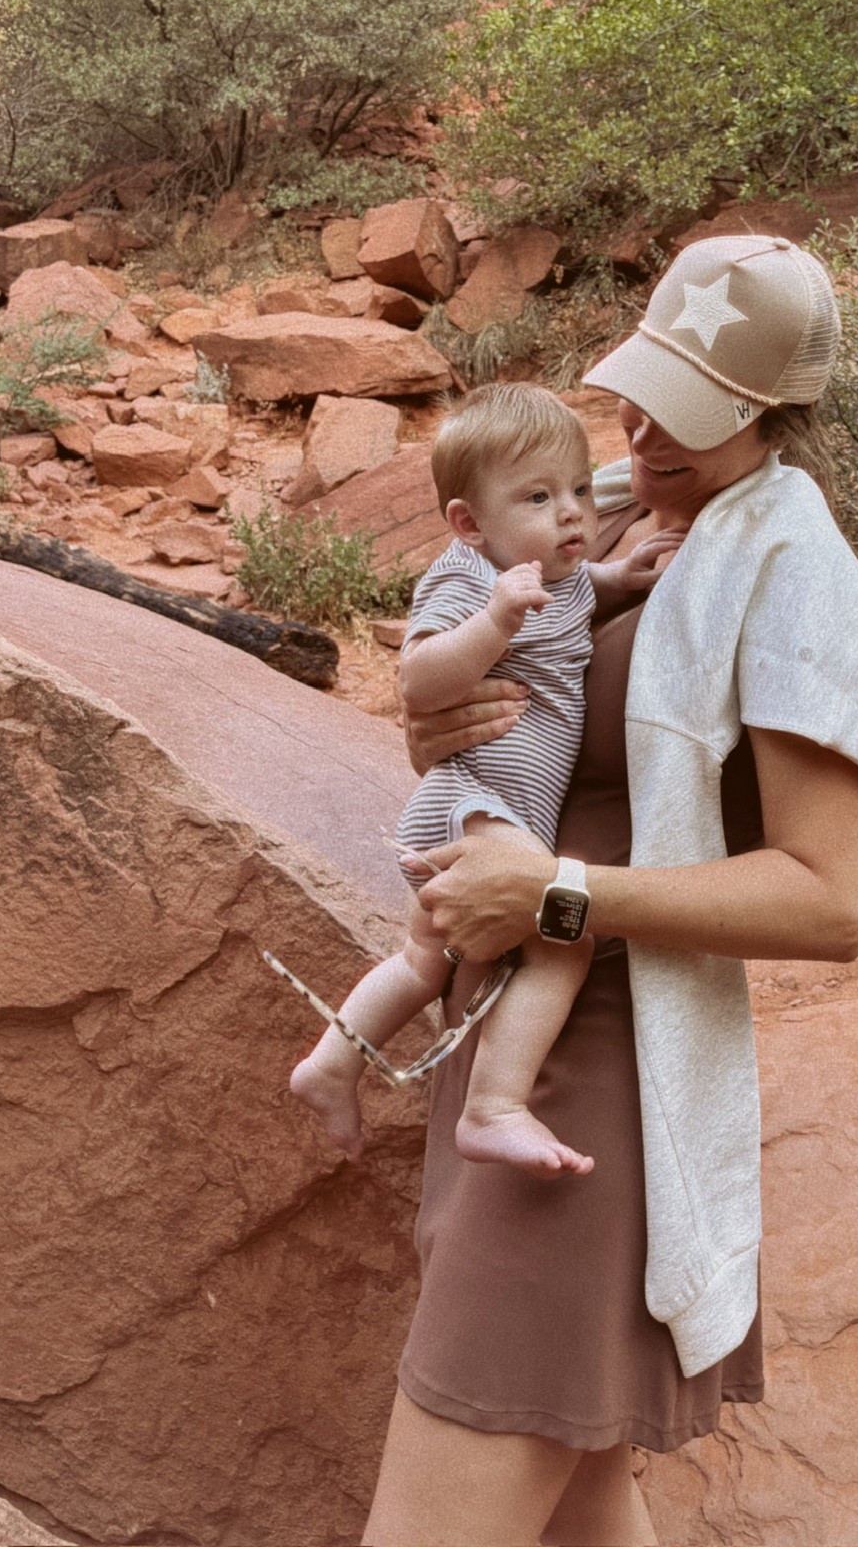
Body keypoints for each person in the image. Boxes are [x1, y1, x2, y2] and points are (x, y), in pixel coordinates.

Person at [361, 234, 858, 1547]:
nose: (649, 427)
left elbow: (827, 902)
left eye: (693, 411)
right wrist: (437, 729)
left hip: (604, 1079)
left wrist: (556, 895)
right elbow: (478, 690)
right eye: (645, 385)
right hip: (502, 1045)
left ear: (774, 414)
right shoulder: (599, 501)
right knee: (581, 1508)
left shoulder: (790, 570)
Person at [291, 383, 679, 1178]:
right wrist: (494, 623)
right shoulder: (468, 579)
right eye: (539, 496)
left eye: (577, 488)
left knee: (420, 962)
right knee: (565, 943)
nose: (573, 512)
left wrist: (624, 578)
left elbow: (578, 598)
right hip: (476, 799)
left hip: (489, 806)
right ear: (470, 524)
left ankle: (332, 1061)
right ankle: (494, 1106)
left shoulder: (554, 571)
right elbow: (421, 681)